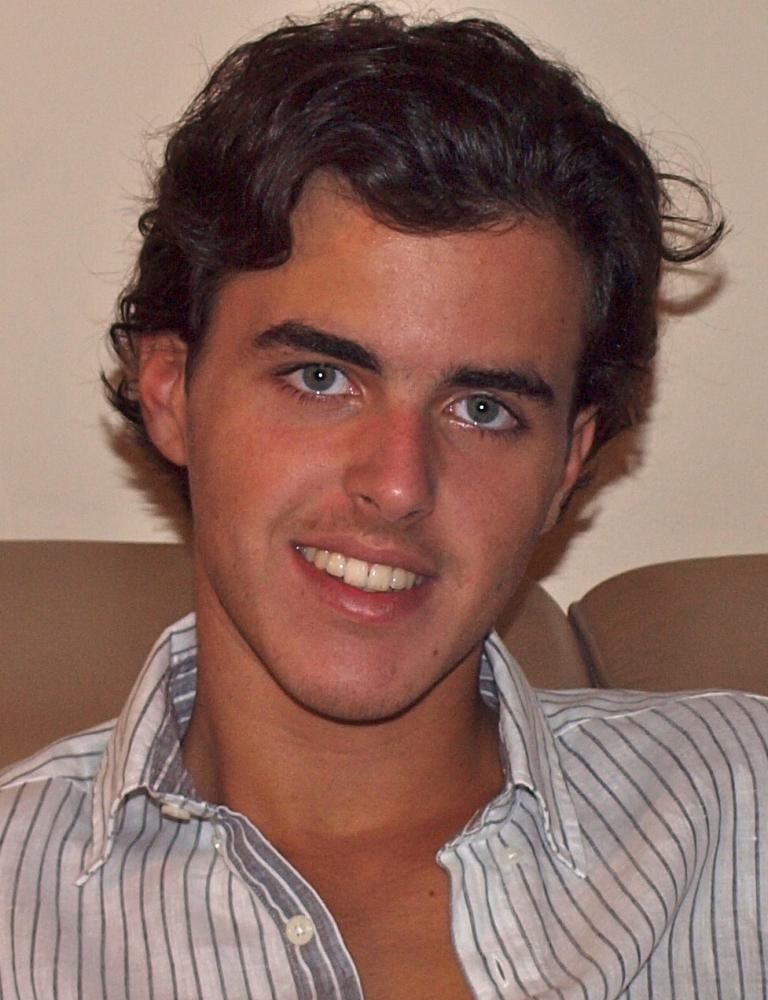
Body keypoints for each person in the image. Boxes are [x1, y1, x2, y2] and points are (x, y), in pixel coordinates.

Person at [0, 5, 764, 998]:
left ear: (568, 464)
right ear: (172, 392)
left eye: (483, 408)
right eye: (321, 378)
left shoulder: (742, 802)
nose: (399, 483)